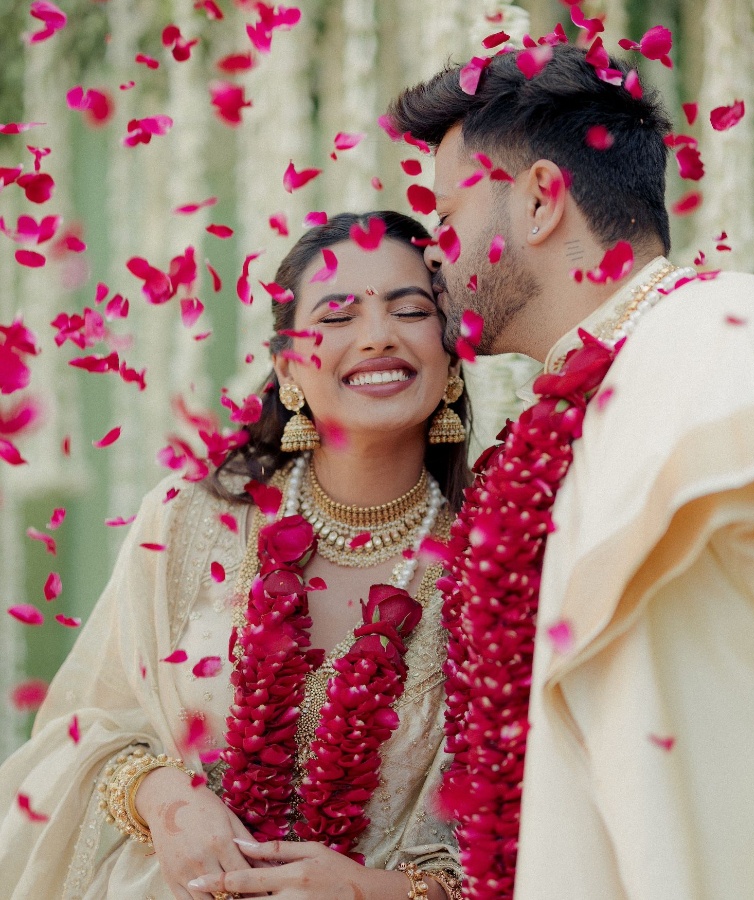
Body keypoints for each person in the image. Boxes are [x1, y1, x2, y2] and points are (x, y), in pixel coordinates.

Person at [389, 43, 754, 900]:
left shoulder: (730, 343)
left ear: (542, 200)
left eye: (446, 220)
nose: (433, 256)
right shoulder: (572, 414)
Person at [0, 211, 466, 900]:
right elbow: (85, 726)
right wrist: (160, 796)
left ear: (452, 359)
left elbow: (533, 838)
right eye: (336, 316)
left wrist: (378, 893)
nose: (376, 337)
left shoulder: (495, 563)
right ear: (287, 369)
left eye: (410, 310)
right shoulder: (192, 520)